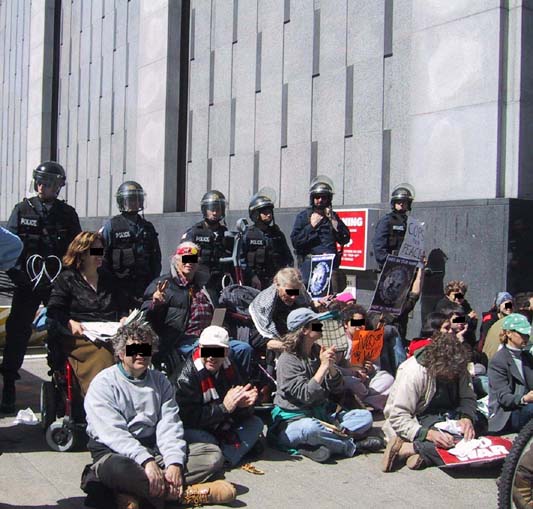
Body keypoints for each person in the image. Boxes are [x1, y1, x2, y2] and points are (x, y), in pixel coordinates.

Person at [82, 321, 236, 509]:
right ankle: (184, 494)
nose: (141, 354)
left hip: (154, 449)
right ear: (121, 353)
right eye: (134, 349)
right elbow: (113, 434)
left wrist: (174, 463)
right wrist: (145, 461)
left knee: (212, 454)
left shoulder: (160, 381)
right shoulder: (103, 384)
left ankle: (134, 494)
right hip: (116, 453)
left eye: (145, 349)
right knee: (119, 470)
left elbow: (169, 423)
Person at [0, 161, 81, 413]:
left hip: (57, 284)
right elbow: (8, 248)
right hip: (28, 282)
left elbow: (77, 249)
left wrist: (68, 278)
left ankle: (62, 381)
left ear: (58, 187)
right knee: (17, 331)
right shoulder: (22, 209)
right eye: (41, 182)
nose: (44, 187)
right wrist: (18, 275)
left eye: (50, 183)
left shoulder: (67, 214)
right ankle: (9, 384)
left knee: (60, 330)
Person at [268, 308, 384, 463]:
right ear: (304, 330)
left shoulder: (317, 352)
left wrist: (330, 368)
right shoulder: (288, 360)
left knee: (365, 417)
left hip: (321, 415)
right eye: (316, 324)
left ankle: (320, 445)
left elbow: (337, 388)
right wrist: (323, 367)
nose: (321, 326)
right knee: (310, 428)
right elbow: (306, 395)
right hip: (294, 421)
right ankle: (351, 446)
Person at [141, 241, 252, 375]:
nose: (189, 263)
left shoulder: (206, 286)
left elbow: (219, 313)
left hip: (212, 336)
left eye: (193, 260)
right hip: (183, 340)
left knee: (244, 349)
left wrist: (222, 328)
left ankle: (238, 386)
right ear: (176, 260)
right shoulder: (163, 285)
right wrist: (155, 304)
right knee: (223, 353)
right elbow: (145, 318)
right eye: (185, 259)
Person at [46, 232, 136, 395]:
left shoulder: (108, 278)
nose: (100, 255)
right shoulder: (67, 279)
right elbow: (54, 310)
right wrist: (70, 322)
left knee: (138, 350)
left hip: (111, 332)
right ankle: (102, 400)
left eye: (101, 251)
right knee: (104, 355)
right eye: (95, 251)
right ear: (82, 254)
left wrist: (124, 317)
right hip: (80, 336)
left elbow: (122, 304)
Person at [382, 332, 477, 471]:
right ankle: (413, 447)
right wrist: (428, 434)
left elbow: (468, 398)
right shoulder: (413, 372)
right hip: (421, 418)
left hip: (450, 417)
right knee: (455, 443)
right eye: (448, 373)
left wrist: (467, 418)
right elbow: (397, 416)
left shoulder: (459, 367)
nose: (451, 376)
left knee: (477, 431)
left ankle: (417, 453)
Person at [175, 326, 263, 467]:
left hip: (223, 424)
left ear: (226, 352)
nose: (211, 357)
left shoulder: (230, 368)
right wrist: (223, 408)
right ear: (200, 348)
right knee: (204, 438)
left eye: (217, 352)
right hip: (197, 428)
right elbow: (186, 418)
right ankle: (230, 452)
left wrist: (246, 405)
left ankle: (224, 456)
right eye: (207, 350)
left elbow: (240, 407)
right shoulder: (186, 377)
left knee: (256, 423)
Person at [101, 181, 162, 305]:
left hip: (144, 286)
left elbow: (156, 258)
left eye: (137, 199)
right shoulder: (111, 226)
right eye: (131, 199)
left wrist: (153, 283)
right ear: (122, 202)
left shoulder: (148, 227)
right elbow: (97, 253)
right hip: (119, 287)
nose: (135, 203)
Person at [290, 176, 350, 286]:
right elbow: (295, 242)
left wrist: (334, 222)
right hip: (310, 267)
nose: (320, 200)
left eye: (324, 197)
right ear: (313, 198)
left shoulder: (333, 217)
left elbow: (345, 239)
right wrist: (311, 226)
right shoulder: (304, 217)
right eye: (317, 197)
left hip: (331, 268)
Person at [336, 305, 394, 411]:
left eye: (361, 323)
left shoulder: (367, 339)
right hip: (350, 379)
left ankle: (367, 403)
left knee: (387, 379)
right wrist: (352, 372)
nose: (359, 326)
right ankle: (366, 401)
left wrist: (369, 368)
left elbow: (377, 366)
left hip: (366, 380)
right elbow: (334, 368)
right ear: (345, 324)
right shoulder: (340, 342)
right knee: (352, 383)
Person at [248, 267, 314, 353]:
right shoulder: (265, 304)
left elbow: (309, 307)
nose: (293, 297)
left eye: (296, 292)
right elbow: (263, 338)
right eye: (289, 292)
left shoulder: (301, 293)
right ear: (278, 285)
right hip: (268, 338)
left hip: (294, 335)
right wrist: (292, 348)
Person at [487, 314, 533, 434]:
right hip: (507, 414)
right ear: (508, 333)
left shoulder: (527, 357)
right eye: (521, 334)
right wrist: (524, 399)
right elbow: (504, 398)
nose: (526, 337)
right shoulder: (498, 360)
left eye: (527, 334)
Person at [241, 190, 293, 290]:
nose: (269, 215)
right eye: (265, 212)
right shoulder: (248, 234)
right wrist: (252, 276)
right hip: (255, 283)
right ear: (256, 214)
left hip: (277, 281)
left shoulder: (277, 234)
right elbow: (241, 260)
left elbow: (288, 258)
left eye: (270, 212)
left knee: (295, 293)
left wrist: (284, 276)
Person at [181, 190, 230, 290]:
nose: (215, 212)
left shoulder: (225, 233)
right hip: (199, 282)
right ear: (205, 210)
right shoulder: (194, 233)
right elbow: (187, 261)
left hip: (221, 282)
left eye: (218, 209)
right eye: (211, 209)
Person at [372, 184, 414, 269]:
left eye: (404, 202)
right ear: (394, 203)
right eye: (399, 202)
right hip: (391, 267)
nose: (401, 204)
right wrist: (387, 262)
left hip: (408, 266)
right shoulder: (387, 221)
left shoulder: (411, 223)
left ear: (408, 204)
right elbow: (378, 245)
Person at [434, 280, 478, 346]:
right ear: (448, 294)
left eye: (461, 295)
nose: (458, 298)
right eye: (455, 295)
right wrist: (468, 317)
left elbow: (474, 318)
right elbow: (451, 320)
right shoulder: (443, 305)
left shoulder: (464, 304)